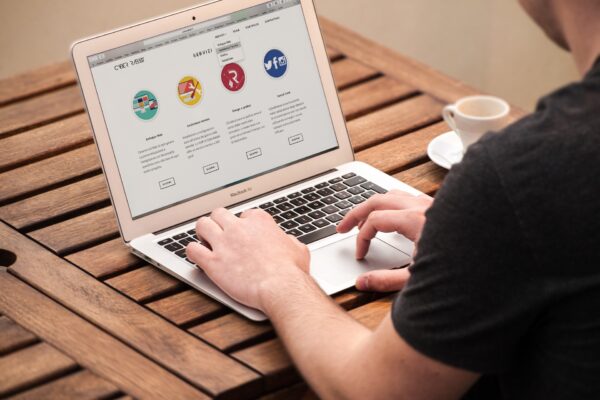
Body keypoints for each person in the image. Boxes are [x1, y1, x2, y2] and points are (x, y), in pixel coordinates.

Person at [187, 0, 600, 398]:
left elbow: (373, 391)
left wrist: (276, 277)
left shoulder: (523, 175)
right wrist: (471, 241)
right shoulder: (538, 183)